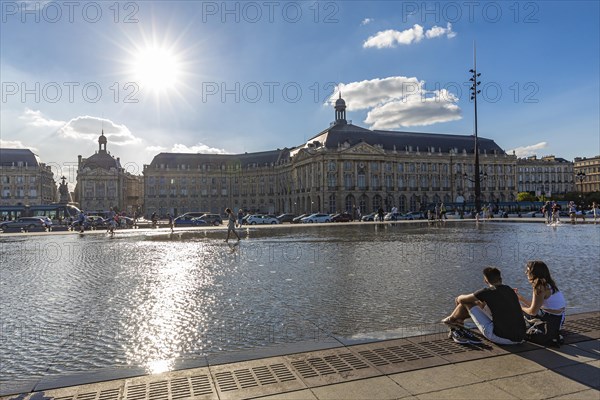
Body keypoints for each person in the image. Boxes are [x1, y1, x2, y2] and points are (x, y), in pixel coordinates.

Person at [442, 267, 526, 345]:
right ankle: (457, 322)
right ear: (500, 278)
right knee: (479, 303)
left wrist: (458, 298)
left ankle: (451, 320)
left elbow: (462, 300)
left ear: (485, 280)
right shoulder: (510, 290)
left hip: (501, 338)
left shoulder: (486, 292)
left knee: (468, 303)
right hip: (520, 338)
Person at [516, 260, 566, 328]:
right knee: (524, 306)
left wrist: (519, 307)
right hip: (558, 322)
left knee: (519, 308)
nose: (526, 272)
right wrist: (521, 298)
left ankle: (517, 332)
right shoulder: (549, 285)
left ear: (534, 273)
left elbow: (533, 312)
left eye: (528, 271)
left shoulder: (539, 287)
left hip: (550, 325)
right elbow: (536, 308)